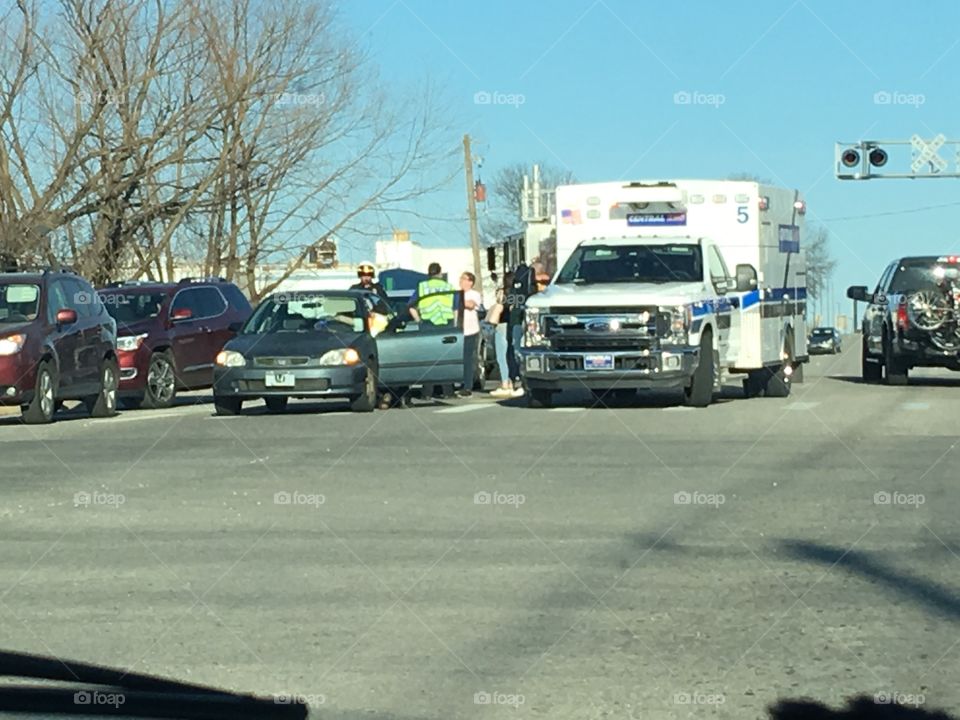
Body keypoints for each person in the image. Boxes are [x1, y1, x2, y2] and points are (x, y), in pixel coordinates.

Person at [456, 271, 482, 398]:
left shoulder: (474, 294)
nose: (461, 281)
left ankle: (467, 386)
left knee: (468, 358)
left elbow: (471, 304)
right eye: (461, 278)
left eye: (463, 278)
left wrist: (460, 303)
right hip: (458, 331)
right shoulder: (457, 294)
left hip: (470, 330)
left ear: (470, 282)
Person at [489, 272, 514, 398]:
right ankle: (512, 380)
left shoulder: (503, 293)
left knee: (501, 356)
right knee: (510, 354)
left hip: (501, 324)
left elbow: (499, 305)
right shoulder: (517, 294)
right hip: (514, 325)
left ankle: (505, 381)